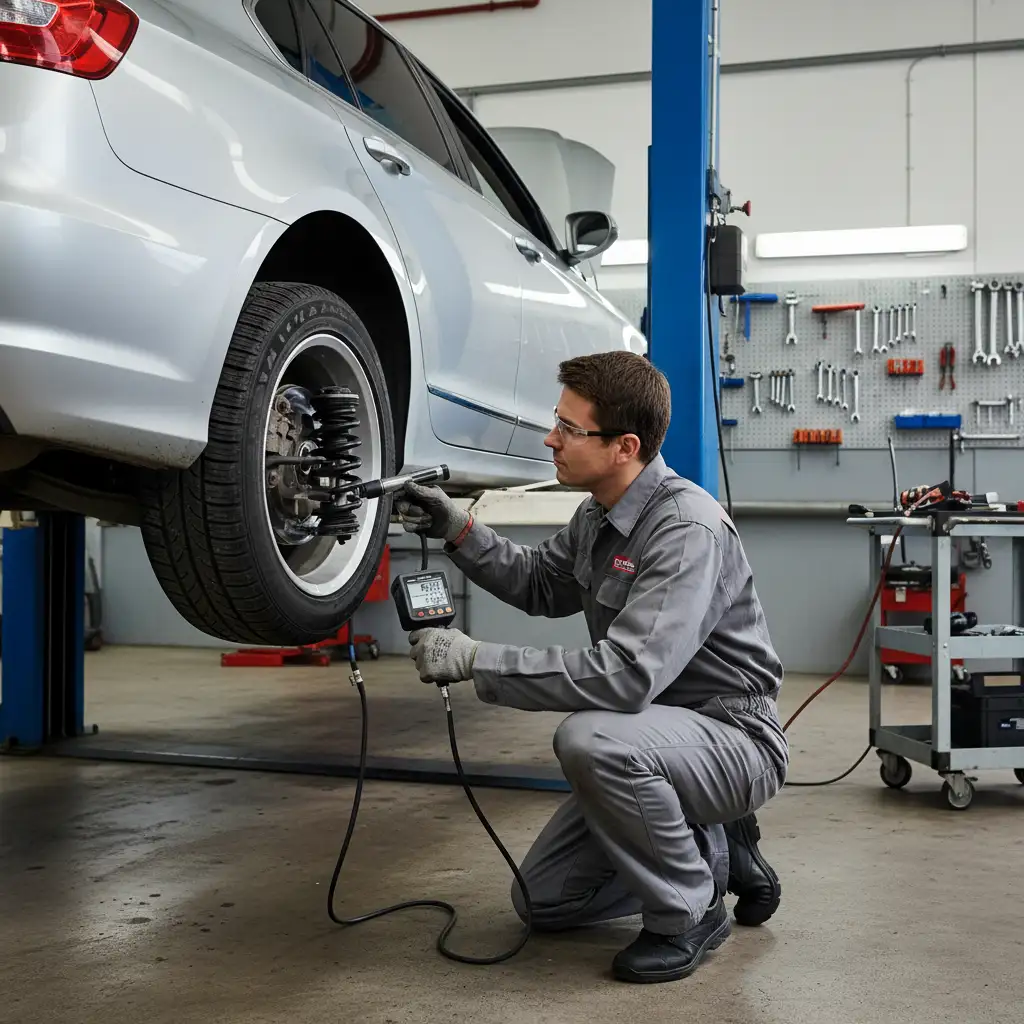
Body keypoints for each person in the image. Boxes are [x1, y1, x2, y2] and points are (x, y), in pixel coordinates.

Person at [396, 351, 788, 985]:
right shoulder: (597, 516)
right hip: (657, 738)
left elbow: (627, 676)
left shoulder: (686, 528)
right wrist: (458, 528)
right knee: (545, 903)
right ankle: (714, 844)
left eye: (569, 429)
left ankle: (690, 911)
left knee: (590, 737)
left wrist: (478, 660)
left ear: (623, 446)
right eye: (558, 421)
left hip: (730, 737)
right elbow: (541, 584)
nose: (552, 439)